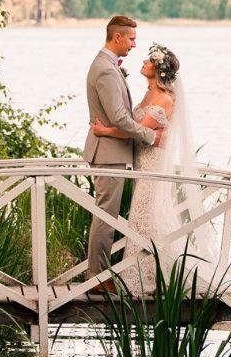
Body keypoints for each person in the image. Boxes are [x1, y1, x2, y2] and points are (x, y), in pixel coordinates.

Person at [91, 41, 214, 293]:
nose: (143, 62)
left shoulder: (165, 98)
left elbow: (137, 130)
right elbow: (138, 127)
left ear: (157, 69)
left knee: (146, 216)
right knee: (143, 217)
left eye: (148, 61)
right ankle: (145, 270)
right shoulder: (148, 93)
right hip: (142, 162)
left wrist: (105, 130)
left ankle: (152, 275)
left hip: (151, 164)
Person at [84, 15, 164, 294]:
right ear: (117, 37)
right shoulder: (105, 70)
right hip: (108, 154)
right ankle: (98, 278)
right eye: (131, 39)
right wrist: (150, 135)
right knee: (105, 216)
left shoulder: (107, 66)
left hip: (112, 150)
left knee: (106, 214)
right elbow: (119, 117)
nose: (133, 45)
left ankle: (100, 274)